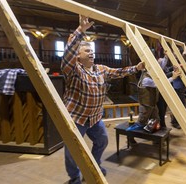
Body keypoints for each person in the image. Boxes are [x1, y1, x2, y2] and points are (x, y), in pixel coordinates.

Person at [61, 15, 145, 184]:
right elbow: (68, 53)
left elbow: (119, 72)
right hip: (76, 118)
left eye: (92, 51)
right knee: (72, 151)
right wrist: (80, 31)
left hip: (94, 117)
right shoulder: (72, 70)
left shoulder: (101, 69)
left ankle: (94, 166)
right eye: (87, 51)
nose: (91, 53)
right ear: (78, 56)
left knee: (102, 140)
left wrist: (137, 67)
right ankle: (74, 178)